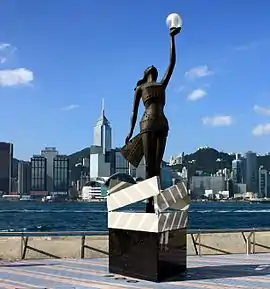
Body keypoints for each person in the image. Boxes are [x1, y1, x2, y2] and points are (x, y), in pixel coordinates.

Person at [121, 26, 181, 213]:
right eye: (150, 68)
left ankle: (155, 199)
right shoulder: (140, 88)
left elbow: (172, 63)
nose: (153, 68)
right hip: (146, 124)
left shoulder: (162, 83)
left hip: (162, 124)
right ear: (146, 73)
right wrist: (130, 133)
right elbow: (133, 112)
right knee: (149, 165)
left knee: (157, 163)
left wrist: (172, 39)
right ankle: (150, 201)